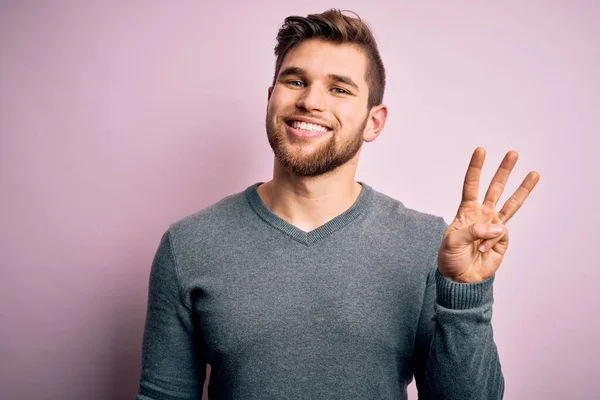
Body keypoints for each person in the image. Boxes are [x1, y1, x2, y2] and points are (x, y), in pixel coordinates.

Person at [136, 9, 540, 400]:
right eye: (295, 81)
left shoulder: (428, 244)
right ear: (270, 98)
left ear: (373, 122)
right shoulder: (188, 245)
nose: (311, 101)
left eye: (339, 88)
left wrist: (466, 293)